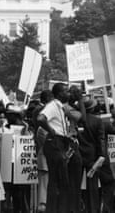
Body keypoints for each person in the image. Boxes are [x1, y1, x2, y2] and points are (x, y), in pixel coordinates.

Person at [37, 82, 82, 213]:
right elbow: (41, 118)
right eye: (66, 91)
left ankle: (57, 208)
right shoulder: (52, 106)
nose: (68, 94)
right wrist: (51, 130)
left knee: (58, 179)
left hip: (61, 142)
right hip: (54, 142)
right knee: (59, 179)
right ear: (59, 93)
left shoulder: (61, 107)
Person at [79, 97, 115, 213]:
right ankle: (106, 209)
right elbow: (101, 141)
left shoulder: (77, 120)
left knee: (90, 188)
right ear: (94, 108)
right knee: (108, 182)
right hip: (98, 158)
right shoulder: (99, 122)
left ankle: (91, 209)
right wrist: (101, 158)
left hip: (83, 158)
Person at [31, 90, 53, 213]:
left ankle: (43, 204)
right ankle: (43, 205)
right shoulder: (42, 111)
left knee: (45, 180)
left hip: (43, 149)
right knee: (45, 179)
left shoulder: (37, 111)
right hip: (45, 148)